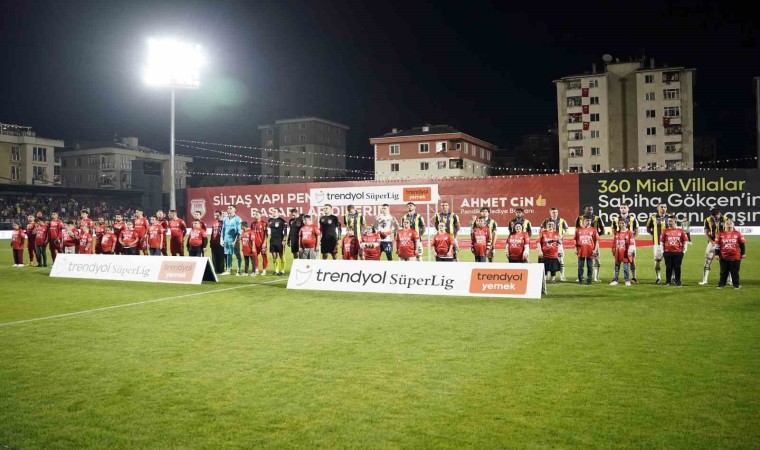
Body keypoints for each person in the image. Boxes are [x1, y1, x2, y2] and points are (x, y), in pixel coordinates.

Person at [576, 205, 606, 282]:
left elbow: (603, 230)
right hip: (583, 242)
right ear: (584, 210)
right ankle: (580, 277)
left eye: (591, 209)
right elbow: (577, 230)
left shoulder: (597, 218)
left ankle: (596, 277)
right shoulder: (579, 218)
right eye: (588, 209)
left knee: (596, 259)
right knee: (581, 261)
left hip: (593, 242)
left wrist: (595, 236)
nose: (590, 211)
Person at [611, 204, 640, 284]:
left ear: (628, 209)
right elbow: (613, 230)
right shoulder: (616, 219)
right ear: (619, 209)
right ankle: (615, 278)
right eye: (621, 208)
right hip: (619, 242)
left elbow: (637, 231)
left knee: (632, 260)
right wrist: (618, 238)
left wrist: (631, 238)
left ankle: (633, 278)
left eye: (624, 207)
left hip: (630, 243)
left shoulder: (633, 219)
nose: (623, 209)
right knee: (617, 260)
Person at [715, 219, 745, 289]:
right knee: (723, 272)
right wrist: (716, 254)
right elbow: (717, 245)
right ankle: (721, 284)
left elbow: (742, 244)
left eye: (730, 222)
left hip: (735, 256)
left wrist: (743, 254)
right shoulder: (720, 234)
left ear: (733, 224)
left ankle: (736, 285)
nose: (729, 224)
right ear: (724, 225)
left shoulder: (738, 233)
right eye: (727, 223)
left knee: (735, 272)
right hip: (723, 256)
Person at [699, 208, 726, 286]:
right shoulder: (707, 220)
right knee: (708, 260)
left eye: (716, 216)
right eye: (714, 216)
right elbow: (706, 232)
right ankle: (705, 280)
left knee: (727, 261)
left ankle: (729, 280)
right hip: (713, 243)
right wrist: (711, 241)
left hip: (723, 243)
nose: (716, 217)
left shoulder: (725, 219)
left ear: (719, 213)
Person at [540, 208, 569, 281]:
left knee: (561, 259)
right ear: (550, 213)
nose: (555, 213)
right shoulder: (546, 221)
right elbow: (541, 229)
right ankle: (547, 276)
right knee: (548, 259)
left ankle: (562, 276)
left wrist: (561, 236)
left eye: (556, 212)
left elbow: (567, 231)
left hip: (558, 244)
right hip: (548, 244)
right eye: (553, 212)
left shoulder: (562, 220)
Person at [660, 216, 689, 286]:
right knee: (668, 267)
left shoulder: (681, 231)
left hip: (678, 252)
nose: (669, 223)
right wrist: (662, 251)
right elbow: (661, 242)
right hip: (667, 252)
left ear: (675, 222)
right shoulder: (665, 231)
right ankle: (668, 282)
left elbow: (685, 241)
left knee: (677, 267)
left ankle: (678, 281)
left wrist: (684, 251)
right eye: (668, 221)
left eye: (670, 221)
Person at [646, 203, 670, 284]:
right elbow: (648, 228)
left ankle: (672, 278)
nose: (663, 208)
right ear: (657, 208)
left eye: (665, 207)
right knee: (657, 260)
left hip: (669, 243)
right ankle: (658, 277)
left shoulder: (669, 217)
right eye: (661, 207)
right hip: (657, 243)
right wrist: (654, 235)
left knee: (670, 261)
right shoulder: (653, 217)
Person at [574, 216, 599, 285]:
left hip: (590, 251)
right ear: (583, 221)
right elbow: (575, 239)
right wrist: (575, 249)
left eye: (590, 221)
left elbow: (596, 241)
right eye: (587, 220)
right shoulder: (578, 229)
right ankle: (580, 279)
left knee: (590, 267)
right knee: (580, 267)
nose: (589, 222)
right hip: (581, 250)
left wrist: (595, 250)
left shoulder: (593, 230)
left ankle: (589, 279)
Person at [610, 221, 635, 286]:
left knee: (625, 268)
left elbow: (632, 242)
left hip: (625, 253)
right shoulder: (617, 233)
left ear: (626, 224)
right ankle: (615, 280)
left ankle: (627, 280)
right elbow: (614, 242)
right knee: (616, 267)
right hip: (618, 252)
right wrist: (613, 249)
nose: (621, 225)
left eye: (623, 223)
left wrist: (630, 251)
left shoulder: (629, 233)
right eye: (620, 223)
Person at [222, 206, 243, 275]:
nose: (229, 209)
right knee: (228, 254)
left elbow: (239, 231)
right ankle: (228, 270)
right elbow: (223, 230)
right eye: (228, 208)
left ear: (234, 210)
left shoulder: (238, 219)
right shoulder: (225, 219)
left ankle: (239, 270)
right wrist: (221, 239)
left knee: (237, 254)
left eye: (231, 208)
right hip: (226, 240)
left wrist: (236, 240)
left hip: (234, 239)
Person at [267, 209, 288, 276]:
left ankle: (282, 271)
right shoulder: (270, 220)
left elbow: (285, 232)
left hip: (280, 240)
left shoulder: (282, 221)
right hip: (272, 240)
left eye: (274, 211)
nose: (273, 213)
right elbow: (269, 231)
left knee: (281, 255)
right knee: (274, 256)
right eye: (272, 211)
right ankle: (276, 271)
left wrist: (284, 240)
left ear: (279, 213)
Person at [250, 209, 269, 275]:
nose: (255, 216)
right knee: (254, 256)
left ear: (260, 215)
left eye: (256, 214)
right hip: (254, 244)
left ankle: (264, 270)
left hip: (262, 243)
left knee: (264, 256)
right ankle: (256, 269)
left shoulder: (264, 224)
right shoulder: (252, 224)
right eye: (254, 214)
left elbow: (266, 234)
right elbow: (251, 234)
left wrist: (264, 242)